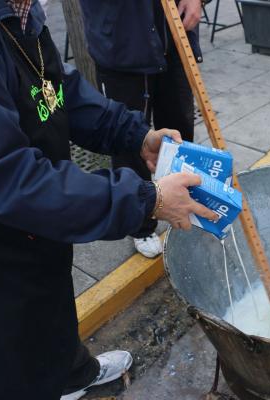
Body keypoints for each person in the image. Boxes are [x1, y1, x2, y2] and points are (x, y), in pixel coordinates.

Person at [0, 1, 218, 399]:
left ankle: (71, 375)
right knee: (13, 351)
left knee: (51, 299)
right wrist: (147, 200)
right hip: (2, 240)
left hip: (38, 230)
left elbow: (58, 90)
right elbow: (8, 176)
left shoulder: (22, 12)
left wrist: (135, 135)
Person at [79, 0, 203, 258]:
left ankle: (187, 206)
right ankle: (141, 224)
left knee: (180, 130)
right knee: (128, 141)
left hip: (174, 36)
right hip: (123, 43)